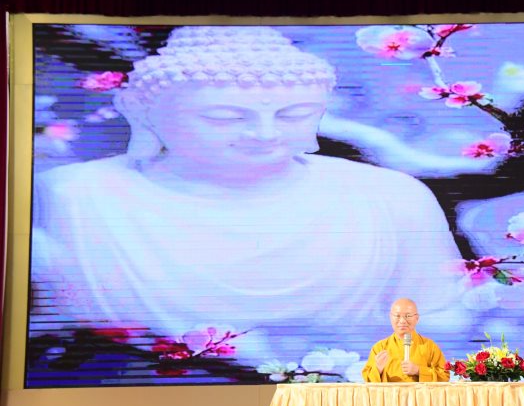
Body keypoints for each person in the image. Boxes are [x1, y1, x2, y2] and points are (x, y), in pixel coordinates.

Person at [30, 26, 468, 371]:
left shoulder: (390, 197)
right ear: (144, 112)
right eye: (223, 116)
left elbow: (444, 323)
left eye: (293, 114)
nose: (264, 133)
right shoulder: (79, 196)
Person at [362, 298, 449, 382]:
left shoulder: (429, 346)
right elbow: (367, 380)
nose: (402, 321)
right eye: (397, 316)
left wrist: (418, 370)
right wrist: (378, 369)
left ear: (417, 318)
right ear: (391, 317)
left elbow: (444, 376)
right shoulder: (380, 348)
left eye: (408, 316)